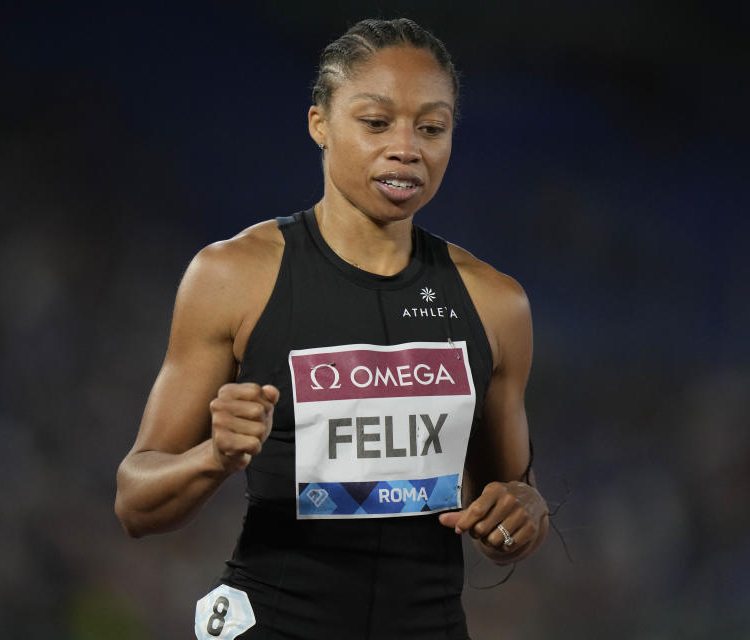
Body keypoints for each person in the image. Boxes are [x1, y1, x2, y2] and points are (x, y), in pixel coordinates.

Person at [115, 17, 549, 640]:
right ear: (319, 122)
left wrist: (522, 516)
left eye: (432, 128)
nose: (407, 148)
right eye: (376, 123)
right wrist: (215, 456)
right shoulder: (234, 277)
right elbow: (135, 503)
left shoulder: (496, 303)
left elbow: (506, 510)